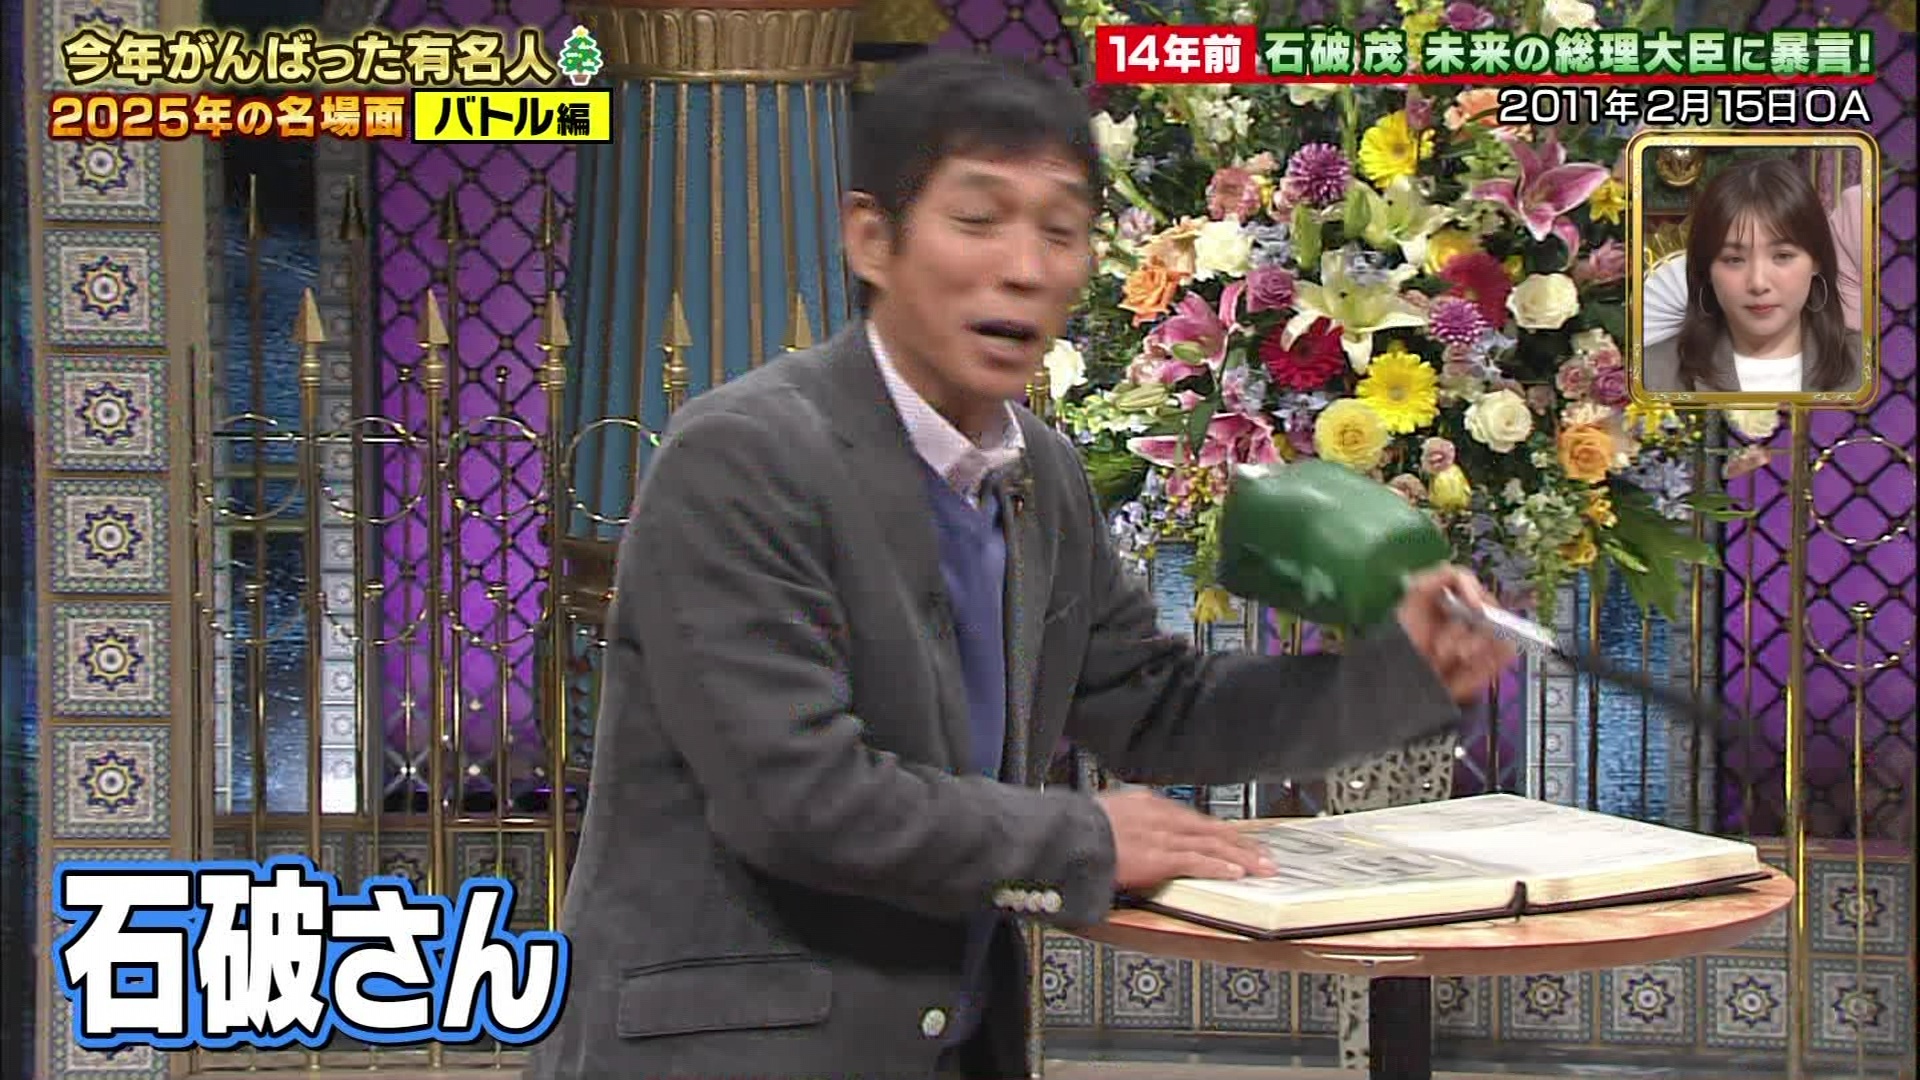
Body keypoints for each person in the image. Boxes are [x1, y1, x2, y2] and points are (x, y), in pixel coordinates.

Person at [524, 52, 1515, 1080]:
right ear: (872, 239)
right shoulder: (744, 458)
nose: (1025, 268)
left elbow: (1154, 705)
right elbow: (798, 796)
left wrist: (1402, 674)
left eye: (1060, 230)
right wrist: (1082, 839)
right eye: (978, 219)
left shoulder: (1036, 472)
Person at [1640, 155, 1864, 395]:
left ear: (1816, 260)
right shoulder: (1651, 375)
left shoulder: (1870, 366)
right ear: (1706, 269)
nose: (1758, 283)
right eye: (1734, 260)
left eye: (1782, 256)